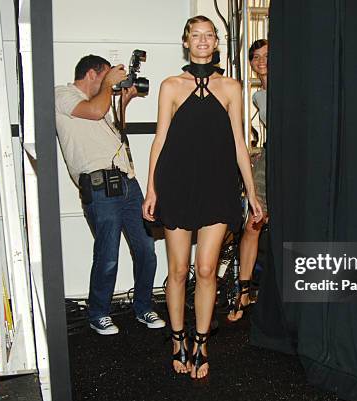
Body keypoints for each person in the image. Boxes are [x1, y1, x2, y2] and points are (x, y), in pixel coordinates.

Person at [142, 16, 263, 379]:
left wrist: (252, 192)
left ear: (215, 42)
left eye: (208, 35)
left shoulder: (231, 86)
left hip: (218, 186)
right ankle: (177, 338)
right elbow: (160, 139)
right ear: (186, 42)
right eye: (196, 36)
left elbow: (240, 144)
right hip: (177, 184)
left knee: (207, 269)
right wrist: (152, 189)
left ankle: (201, 341)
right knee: (178, 270)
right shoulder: (170, 86)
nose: (202, 41)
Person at [55, 55, 165, 335]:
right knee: (108, 254)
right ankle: (98, 313)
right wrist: (108, 88)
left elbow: (113, 138)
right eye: (107, 78)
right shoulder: (63, 94)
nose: (112, 85)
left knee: (146, 249)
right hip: (99, 186)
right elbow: (92, 111)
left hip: (127, 182)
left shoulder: (101, 104)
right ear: (92, 74)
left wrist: (122, 105)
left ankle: (143, 307)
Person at [228, 39, 269, 322]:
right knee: (253, 224)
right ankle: (243, 292)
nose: (261, 61)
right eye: (255, 57)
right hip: (269, 160)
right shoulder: (258, 97)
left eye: (267, 55)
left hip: (298, 164)